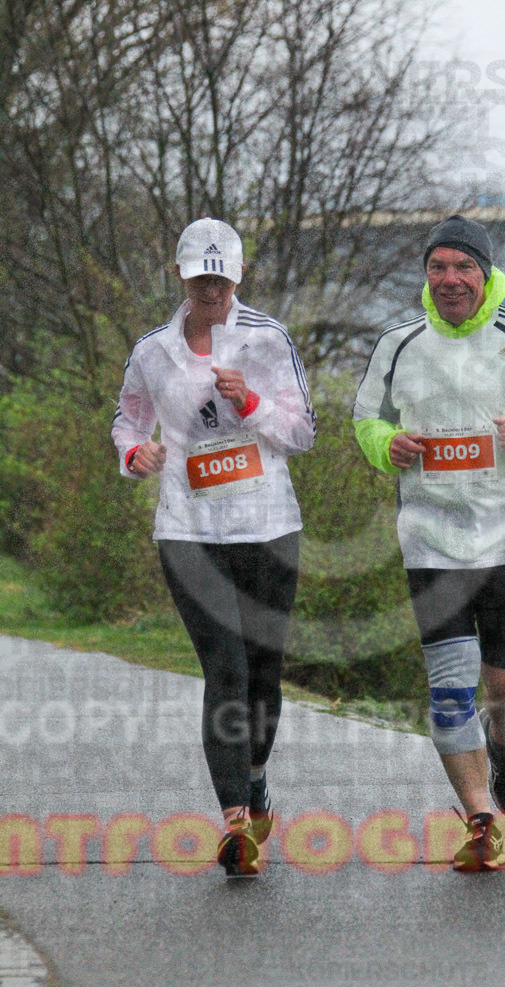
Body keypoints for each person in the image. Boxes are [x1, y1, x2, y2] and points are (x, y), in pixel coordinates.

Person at [353, 214, 505, 871]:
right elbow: (363, 421)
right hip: (431, 541)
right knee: (448, 684)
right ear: (425, 277)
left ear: (485, 275)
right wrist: (386, 446)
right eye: (438, 268)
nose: (450, 279)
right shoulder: (398, 346)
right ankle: (477, 818)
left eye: (462, 267)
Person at [112, 217, 316, 876]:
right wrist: (132, 453)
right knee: (224, 669)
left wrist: (251, 400)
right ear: (180, 275)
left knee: (262, 671)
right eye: (200, 279)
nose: (211, 291)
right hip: (187, 529)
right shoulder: (151, 350)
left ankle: (254, 780)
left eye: (220, 279)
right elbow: (127, 418)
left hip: (266, 526)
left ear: (237, 276)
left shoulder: (267, 338)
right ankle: (234, 822)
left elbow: (301, 431)